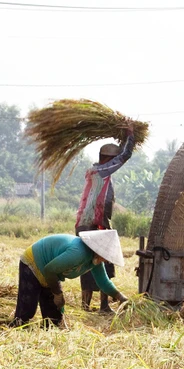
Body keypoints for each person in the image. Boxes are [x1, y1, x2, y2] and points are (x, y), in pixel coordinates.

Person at [13, 229, 127, 328]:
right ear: (99, 250)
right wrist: (57, 293)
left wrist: (121, 297)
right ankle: (17, 329)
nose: (107, 260)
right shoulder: (79, 253)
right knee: (26, 311)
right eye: (107, 256)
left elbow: (103, 282)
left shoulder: (95, 260)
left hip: (51, 273)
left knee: (54, 319)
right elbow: (50, 270)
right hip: (33, 262)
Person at [76, 128, 135, 312]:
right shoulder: (99, 171)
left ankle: (102, 305)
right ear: (106, 159)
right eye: (112, 160)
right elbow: (124, 157)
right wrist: (130, 136)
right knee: (98, 261)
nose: (114, 163)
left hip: (92, 223)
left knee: (98, 262)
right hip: (92, 224)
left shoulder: (97, 173)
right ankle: (96, 305)